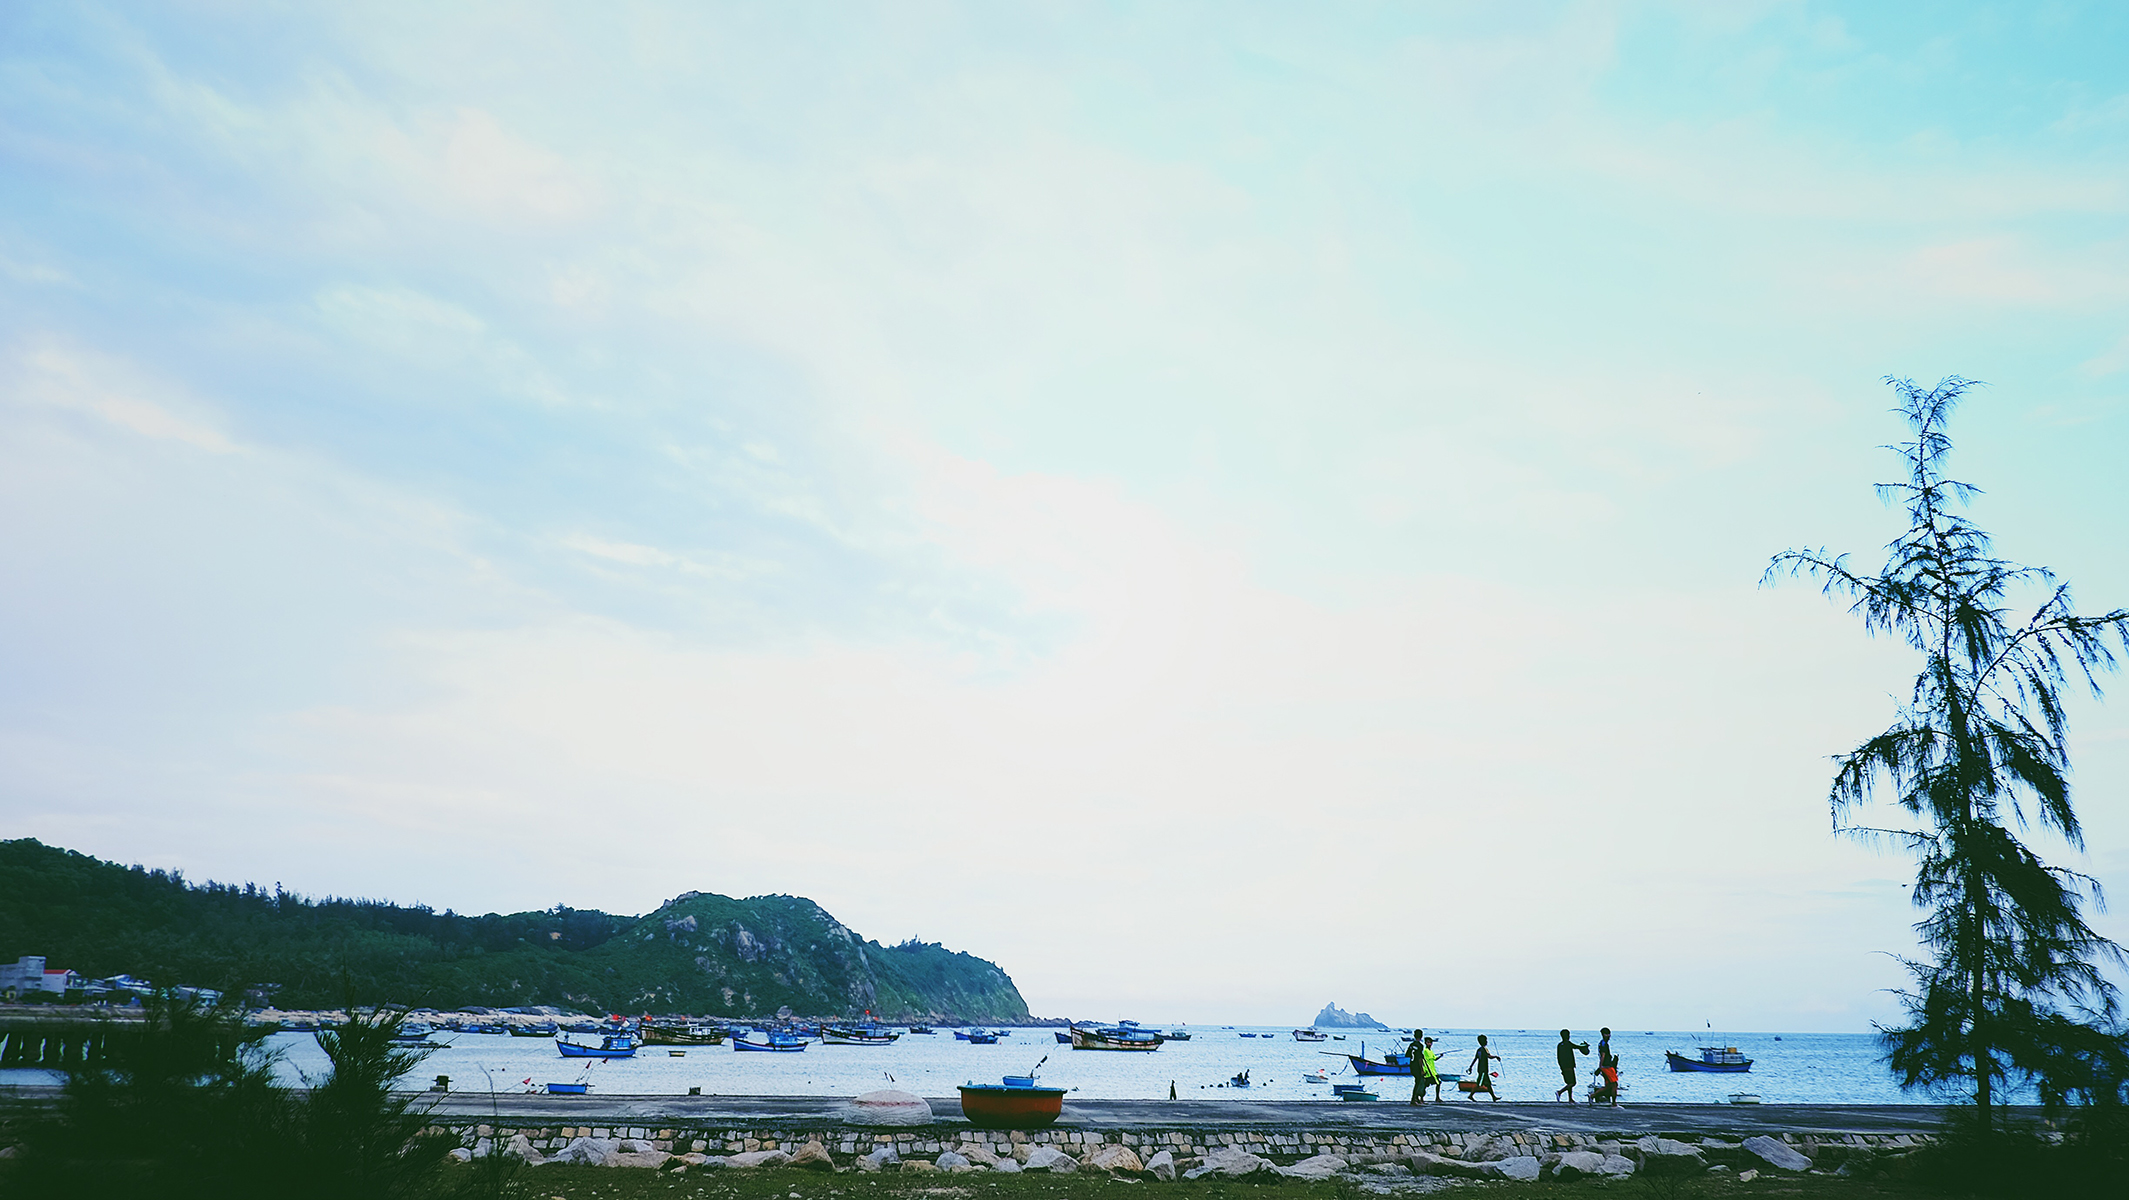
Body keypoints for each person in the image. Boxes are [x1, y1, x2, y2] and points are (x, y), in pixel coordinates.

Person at [1554, 1028, 1590, 1103]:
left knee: (1569, 1083)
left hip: (1563, 1066)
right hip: (1569, 1066)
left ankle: (1570, 1099)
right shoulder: (1568, 1043)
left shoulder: (1560, 1045)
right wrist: (1585, 1045)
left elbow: (1558, 1057)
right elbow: (1577, 1046)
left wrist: (1561, 1066)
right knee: (1573, 1083)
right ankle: (1559, 1092)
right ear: (1568, 1036)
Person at [1463, 1034, 1501, 1101]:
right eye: (1486, 1040)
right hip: (1483, 1069)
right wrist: (1496, 1057)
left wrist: (1471, 1067)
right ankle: (1471, 1095)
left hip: (1480, 1069)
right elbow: (1489, 1056)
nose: (1487, 1042)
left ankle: (1493, 1097)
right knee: (1479, 1083)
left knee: (1488, 1084)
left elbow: (1475, 1058)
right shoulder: (1485, 1049)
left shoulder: (1479, 1050)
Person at [1592, 1027, 1620, 1106]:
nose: (1608, 1036)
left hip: (1607, 1066)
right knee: (1614, 1084)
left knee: (1609, 1086)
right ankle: (1614, 1103)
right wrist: (1600, 1067)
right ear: (1603, 1035)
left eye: (1609, 1034)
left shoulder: (1603, 1043)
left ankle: (1592, 1096)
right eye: (1606, 1034)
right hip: (1607, 1067)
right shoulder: (1603, 1044)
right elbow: (1603, 1056)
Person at [1406, 1029, 1433, 1104]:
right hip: (1417, 1066)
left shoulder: (1411, 1045)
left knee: (1417, 1081)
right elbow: (1419, 1058)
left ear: (1414, 1036)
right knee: (1418, 1082)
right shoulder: (1420, 1046)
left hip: (1412, 1065)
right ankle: (1414, 1098)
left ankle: (1416, 1098)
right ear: (1421, 1036)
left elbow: (1407, 1055)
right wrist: (1422, 1069)